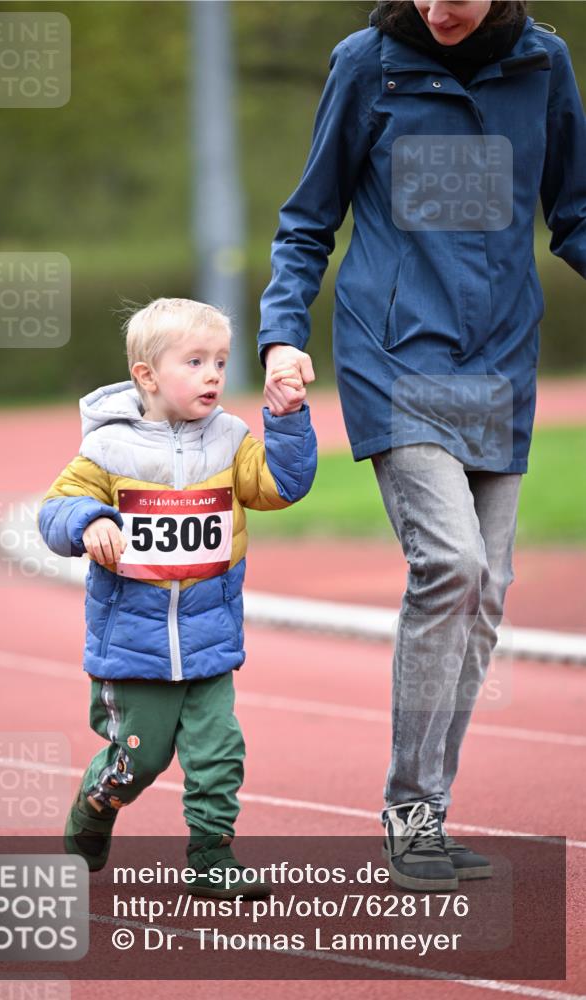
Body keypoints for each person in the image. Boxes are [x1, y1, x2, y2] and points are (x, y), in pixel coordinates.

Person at [259, 0, 585, 891]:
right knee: (450, 562)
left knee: (487, 592)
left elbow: (576, 210)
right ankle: (409, 811)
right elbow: (306, 221)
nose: (444, 8)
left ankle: (427, 813)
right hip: (394, 353)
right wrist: (282, 331)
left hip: (499, 362)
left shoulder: (541, 66)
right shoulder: (367, 63)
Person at [38, 297, 317, 896]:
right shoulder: (108, 449)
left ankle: (212, 858)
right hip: (134, 647)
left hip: (209, 641)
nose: (214, 373)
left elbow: (282, 485)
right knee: (139, 760)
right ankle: (95, 805)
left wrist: (289, 417)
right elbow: (54, 510)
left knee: (219, 755)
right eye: (194, 361)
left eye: (220, 360)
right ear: (147, 375)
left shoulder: (231, 440)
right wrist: (89, 520)